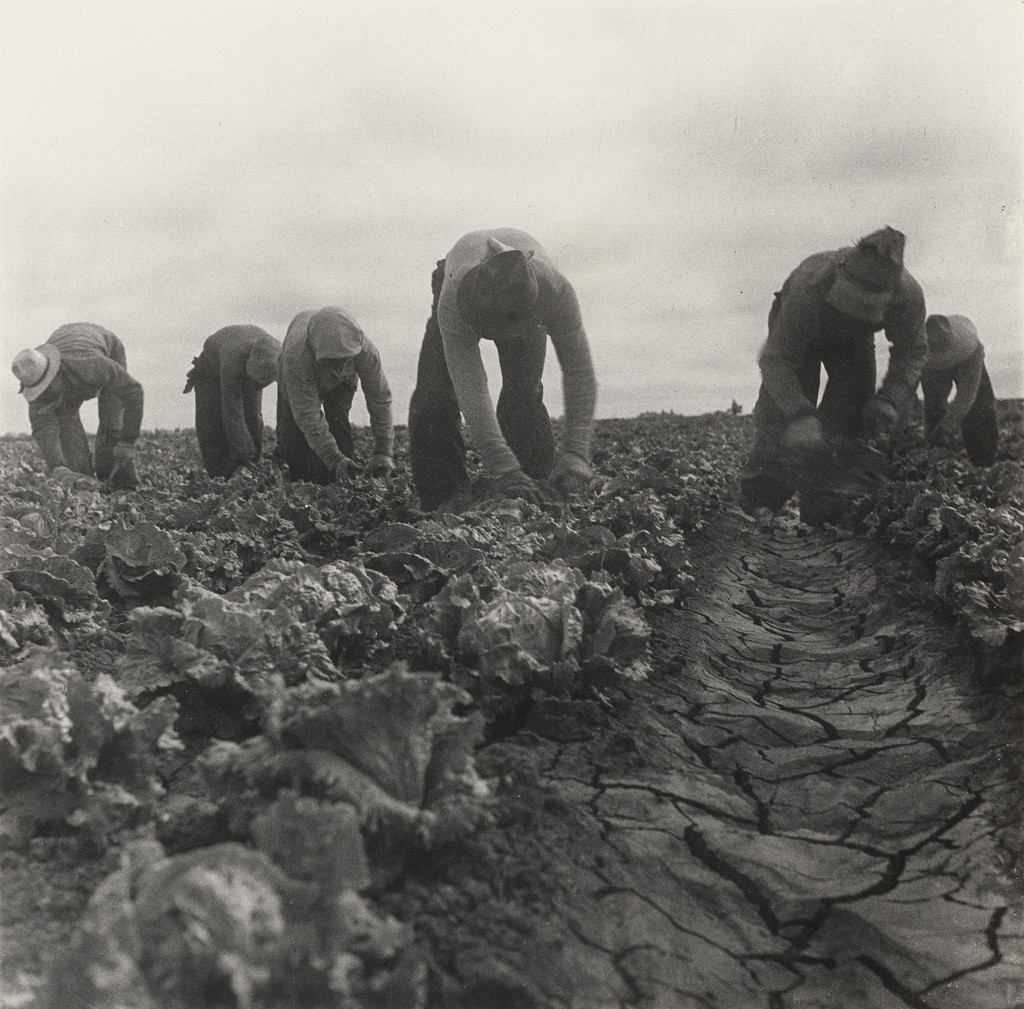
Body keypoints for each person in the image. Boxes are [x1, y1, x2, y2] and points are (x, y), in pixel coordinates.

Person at [738, 226, 928, 521]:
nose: (850, 315)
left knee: (849, 420)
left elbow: (913, 350)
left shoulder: (909, 297)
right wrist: (799, 414)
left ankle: (826, 513)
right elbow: (776, 359)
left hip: (855, 342)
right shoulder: (807, 288)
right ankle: (759, 505)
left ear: (889, 298)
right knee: (780, 421)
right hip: (803, 335)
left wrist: (889, 398)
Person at [408, 228, 598, 509]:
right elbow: (470, 383)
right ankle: (445, 500)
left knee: (523, 392)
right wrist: (502, 465)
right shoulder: (454, 300)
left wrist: (577, 452)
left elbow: (579, 371)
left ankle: (531, 491)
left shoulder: (556, 292)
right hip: (459, 281)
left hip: (524, 296)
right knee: (433, 394)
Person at [11, 322, 144, 489]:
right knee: (66, 426)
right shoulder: (36, 384)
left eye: (47, 387)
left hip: (105, 348)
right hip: (67, 348)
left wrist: (127, 441)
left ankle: (124, 485)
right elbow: (43, 430)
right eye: (40, 390)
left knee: (111, 424)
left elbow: (134, 391)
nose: (45, 394)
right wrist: (58, 467)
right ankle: (87, 483)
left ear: (55, 372)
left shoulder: (92, 364)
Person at [275, 307, 394, 484]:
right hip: (300, 373)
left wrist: (384, 452)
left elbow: (380, 399)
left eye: (344, 359)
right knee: (295, 437)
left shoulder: (365, 351)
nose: (338, 369)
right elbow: (307, 415)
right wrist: (334, 459)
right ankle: (301, 491)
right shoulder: (296, 358)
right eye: (333, 361)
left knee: (339, 424)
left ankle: (345, 483)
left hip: (343, 379)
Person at [183, 325, 282, 478]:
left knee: (252, 418)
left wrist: (255, 459)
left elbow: (254, 415)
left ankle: (254, 470)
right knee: (212, 424)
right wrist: (244, 456)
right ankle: (222, 477)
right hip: (210, 370)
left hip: (250, 364)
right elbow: (232, 410)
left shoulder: (275, 354)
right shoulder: (233, 362)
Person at [919, 314, 998, 466]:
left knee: (980, 407)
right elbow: (929, 400)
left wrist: (948, 426)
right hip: (933, 366)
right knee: (934, 411)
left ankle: (984, 463)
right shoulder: (924, 353)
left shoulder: (971, 350)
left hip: (969, 359)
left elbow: (967, 395)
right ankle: (937, 462)